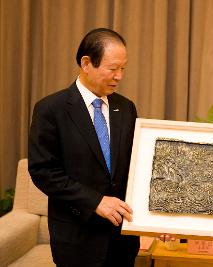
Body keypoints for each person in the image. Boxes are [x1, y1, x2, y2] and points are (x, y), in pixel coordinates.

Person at [28, 28, 139, 267]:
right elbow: (43, 172)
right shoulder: (51, 109)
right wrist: (94, 201)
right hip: (77, 239)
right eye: (112, 68)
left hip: (122, 240)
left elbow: (135, 168)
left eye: (123, 69)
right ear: (86, 63)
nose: (119, 76)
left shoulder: (126, 108)